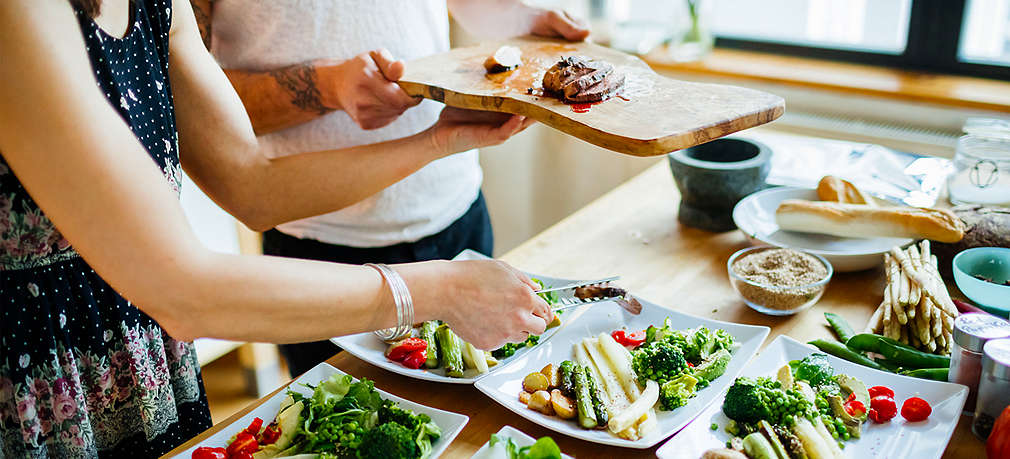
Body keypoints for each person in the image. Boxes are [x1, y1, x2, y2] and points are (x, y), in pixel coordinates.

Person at [0, 0, 554, 456]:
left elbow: (253, 184)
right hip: (33, 380)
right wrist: (436, 290)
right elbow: (184, 291)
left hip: (141, 363)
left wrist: (437, 140)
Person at [193, 0, 590, 377]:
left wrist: (519, 19)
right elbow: (188, 101)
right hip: (321, 253)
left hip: (457, 209)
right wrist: (326, 86)